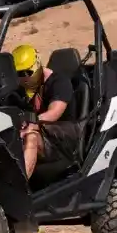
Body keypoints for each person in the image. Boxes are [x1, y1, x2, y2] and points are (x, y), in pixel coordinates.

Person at [13, 43, 77, 179]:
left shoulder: (59, 82)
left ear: (37, 65)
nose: (23, 78)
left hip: (63, 136)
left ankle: (19, 188)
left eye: (26, 73)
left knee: (31, 137)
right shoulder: (21, 89)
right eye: (17, 74)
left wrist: (33, 122)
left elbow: (54, 112)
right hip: (41, 133)